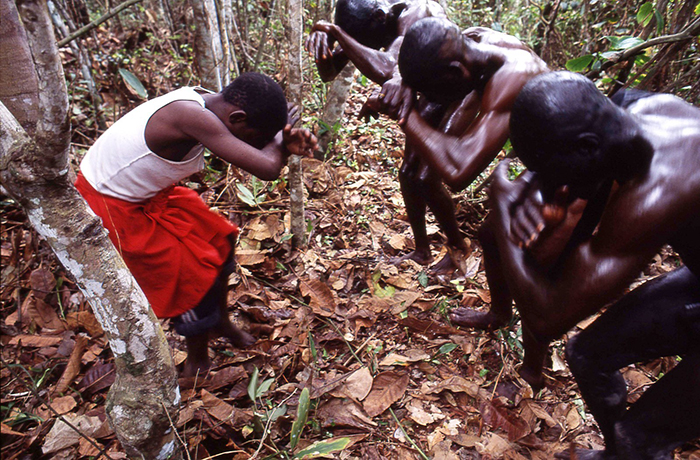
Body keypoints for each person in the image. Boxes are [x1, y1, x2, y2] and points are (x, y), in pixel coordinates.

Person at [486, 71, 700, 459]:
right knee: (587, 355)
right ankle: (617, 454)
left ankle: (635, 448)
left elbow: (546, 318)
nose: (556, 186)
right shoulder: (636, 110)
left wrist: (502, 208)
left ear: (586, 148)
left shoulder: (659, 192)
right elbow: (565, 256)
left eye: (554, 172)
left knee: (640, 436)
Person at [75, 73, 316, 377]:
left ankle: (221, 322)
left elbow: (263, 154)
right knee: (189, 274)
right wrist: (281, 139)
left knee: (221, 239)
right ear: (238, 118)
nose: (254, 145)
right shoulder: (192, 116)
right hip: (111, 205)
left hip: (146, 194)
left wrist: (277, 138)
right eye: (254, 138)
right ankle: (197, 358)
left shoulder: (210, 100)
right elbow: (267, 167)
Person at [363, 16, 548, 272]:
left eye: (430, 91)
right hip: (478, 89)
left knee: (492, 234)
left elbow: (459, 171)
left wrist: (404, 114)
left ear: (455, 73)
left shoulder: (512, 78)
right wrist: (399, 80)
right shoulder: (471, 41)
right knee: (416, 173)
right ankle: (430, 250)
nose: (427, 99)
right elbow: (417, 55)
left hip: (556, 152)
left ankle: (506, 306)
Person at [306, 0, 474, 273]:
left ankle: (458, 247)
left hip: (459, 90)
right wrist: (324, 44)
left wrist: (336, 32)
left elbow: (389, 67)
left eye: (364, 38)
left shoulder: (416, 12)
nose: (366, 43)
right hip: (429, 92)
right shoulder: (370, 26)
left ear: (380, 17)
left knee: (425, 178)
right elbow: (329, 73)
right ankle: (422, 251)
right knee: (408, 174)